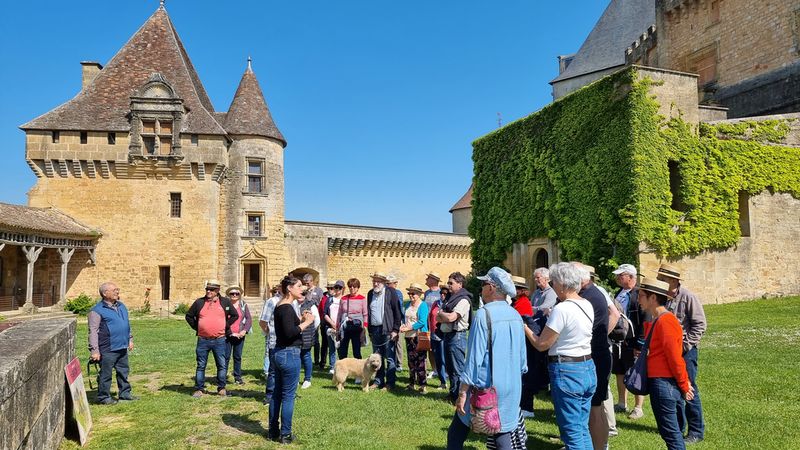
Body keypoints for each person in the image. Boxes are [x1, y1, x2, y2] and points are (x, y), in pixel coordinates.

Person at [447, 267, 527, 450]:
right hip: (512, 386)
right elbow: (523, 360)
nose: (481, 288)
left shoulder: (484, 314)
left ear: (491, 287)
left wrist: (463, 392)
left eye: (483, 284)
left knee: (456, 434)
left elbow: (474, 359)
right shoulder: (515, 314)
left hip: (486, 387)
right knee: (502, 434)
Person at [523, 262, 596, 450]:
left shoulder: (562, 309)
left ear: (563, 284)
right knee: (581, 428)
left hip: (567, 370)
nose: (552, 285)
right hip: (587, 366)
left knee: (572, 432)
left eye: (554, 282)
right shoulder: (586, 304)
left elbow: (542, 344)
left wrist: (524, 327)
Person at [637, 277, 695, 450]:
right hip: (660, 383)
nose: (638, 299)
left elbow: (675, 358)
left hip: (664, 384)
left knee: (672, 435)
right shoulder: (658, 320)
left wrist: (684, 384)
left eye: (641, 295)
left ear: (653, 297)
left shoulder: (666, 321)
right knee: (669, 433)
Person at [657, 263, 707, 444]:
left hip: (686, 353)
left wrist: (685, 345)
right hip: (668, 352)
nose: (659, 280)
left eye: (662, 278)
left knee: (689, 388)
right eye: (659, 278)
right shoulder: (661, 296)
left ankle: (696, 431)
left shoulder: (688, 297)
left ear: (673, 280)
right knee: (673, 389)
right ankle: (677, 428)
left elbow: (700, 324)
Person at [574, 263, 619, 450]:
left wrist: (600, 337)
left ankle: (599, 445)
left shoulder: (589, 297)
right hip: (600, 352)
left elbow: (615, 314)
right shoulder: (593, 292)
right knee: (596, 406)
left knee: (594, 407)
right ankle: (599, 445)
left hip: (596, 355)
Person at [268, 275, 316, 444]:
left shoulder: (281, 306)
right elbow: (290, 333)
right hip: (289, 354)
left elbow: (287, 327)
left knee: (276, 394)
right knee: (288, 396)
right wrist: (307, 322)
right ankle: (285, 434)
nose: (302, 289)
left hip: (279, 353)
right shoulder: (287, 308)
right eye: (299, 286)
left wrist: (301, 319)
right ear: (289, 288)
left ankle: (273, 431)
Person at [185, 279, 238, 398]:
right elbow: (189, 316)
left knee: (221, 365)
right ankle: (199, 389)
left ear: (217, 290)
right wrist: (198, 327)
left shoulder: (225, 302)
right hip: (203, 340)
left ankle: (221, 388)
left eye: (212, 290)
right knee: (201, 365)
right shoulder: (199, 302)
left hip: (220, 339)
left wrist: (225, 325)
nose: (209, 291)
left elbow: (235, 315)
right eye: (207, 289)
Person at [88, 282, 135, 405]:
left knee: (123, 371)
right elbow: (93, 331)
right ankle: (103, 397)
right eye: (114, 290)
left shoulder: (121, 306)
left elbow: (126, 324)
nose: (117, 292)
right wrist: (94, 350)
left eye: (117, 289)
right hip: (108, 348)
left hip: (122, 346)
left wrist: (130, 339)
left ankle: (125, 394)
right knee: (106, 374)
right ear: (105, 293)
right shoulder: (96, 310)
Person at [611, 263, 647, 420]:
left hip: (633, 341)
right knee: (619, 371)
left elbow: (645, 320)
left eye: (621, 275)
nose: (617, 278)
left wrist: (639, 343)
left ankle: (638, 407)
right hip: (619, 340)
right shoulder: (619, 292)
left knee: (636, 372)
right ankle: (622, 403)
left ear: (631, 277)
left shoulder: (639, 294)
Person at [438, 272, 473, 402]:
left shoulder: (463, 300)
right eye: (448, 283)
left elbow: (451, 317)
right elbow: (438, 317)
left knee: (457, 368)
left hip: (457, 336)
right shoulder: (450, 299)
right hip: (448, 335)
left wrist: (442, 314)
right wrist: (443, 315)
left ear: (460, 284)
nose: (449, 285)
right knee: (450, 367)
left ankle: (460, 397)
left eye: (451, 283)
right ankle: (453, 394)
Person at [366, 272, 403, 390]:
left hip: (388, 329)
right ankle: (378, 381)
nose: (375, 284)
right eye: (374, 281)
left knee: (390, 357)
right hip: (375, 329)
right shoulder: (370, 294)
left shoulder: (391, 292)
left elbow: (397, 312)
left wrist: (395, 329)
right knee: (377, 357)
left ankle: (390, 383)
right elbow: (369, 312)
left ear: (383, 282)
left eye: (378, 281)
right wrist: (370, 330)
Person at [399, 283, 429, 393]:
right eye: (409, 293)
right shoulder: (408, 304)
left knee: (420, 361)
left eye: (413, 293)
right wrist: (403, 325)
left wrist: (409, 328)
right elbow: (406, 318)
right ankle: (412, 383)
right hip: (408, 336)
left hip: (418, 336)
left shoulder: (423, 305)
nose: (411, 295)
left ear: (419, 294)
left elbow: (422, 321)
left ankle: (422, 385)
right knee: (411, 361)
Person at [224, 285, 252, 385]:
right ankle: (222, 377)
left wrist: (245, 330)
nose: (234, 295)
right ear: (229, 295)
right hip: (228, 334)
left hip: (240, 335)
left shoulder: (243, 305)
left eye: (237, 294)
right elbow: (222, 319)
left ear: (240, 295)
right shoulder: (225, 305)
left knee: (237, 357)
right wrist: (230, 332)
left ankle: (237, 377)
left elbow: (249, 319)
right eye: (232, 293)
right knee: (225, 357)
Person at [423, 272, 447, 387]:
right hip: (428, 324)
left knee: (441, 350)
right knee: (430, 348)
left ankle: (444, 371)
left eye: (428, 278)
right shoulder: (426, 293)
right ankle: (434, 370)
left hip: (438, 325)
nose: (426, 279)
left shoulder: (441, 292)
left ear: (434, 280)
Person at [337, 277, 368, 364]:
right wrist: (337, 326)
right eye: (350, 286)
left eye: (354, 286)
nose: (352, 288)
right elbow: (339, 313)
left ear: (358, 288)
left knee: (356, 351)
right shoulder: (343, 299)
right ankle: (342, 368)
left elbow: (365, 314)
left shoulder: (362, 299)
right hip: (345, 327)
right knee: (342, 351)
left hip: (357, 327)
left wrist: (365, 327)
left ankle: (359, 369)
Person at [259, 286, 281, 404]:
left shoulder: (294, 301)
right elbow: (263, 321)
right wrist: (269, 332)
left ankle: (286, 394)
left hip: (290, 343)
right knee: (273, 370)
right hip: (275, 340)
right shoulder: (272, 301)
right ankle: (270, 395)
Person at [299, 288, 321, 389]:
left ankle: (307, 379)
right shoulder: (293, 303)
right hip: (294, 334)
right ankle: (295, 378)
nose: (301, 296)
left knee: (306, 356)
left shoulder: (311, 305)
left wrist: (310, 330)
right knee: (295, 357)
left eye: (303, 294)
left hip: (307, 334)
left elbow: (317, 321)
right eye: (300, 293)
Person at [301, 274, 324, 370]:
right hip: (305, 317)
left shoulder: (318, 290)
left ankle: (317, 360)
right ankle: (305, 359)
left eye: (308, 283)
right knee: (305, 339)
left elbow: (321, 303)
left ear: (312, 281)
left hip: (315, 317)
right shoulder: (304, 290)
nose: (306, 285)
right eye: (305, 283)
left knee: (316, 340)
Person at [323, 280, 344, 374]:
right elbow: (325, 313)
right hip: (330, 327)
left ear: (343, 289)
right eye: (336, 287)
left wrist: (339, 325)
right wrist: (332, 324)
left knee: (341, 348)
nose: (337, 289)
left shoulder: (344, 299)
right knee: (332, 348)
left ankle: (342, 366)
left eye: (340, 288)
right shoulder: (330, 300)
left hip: (341, 327)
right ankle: (332, 366)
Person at [386, 274, 405, 371]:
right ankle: (391, 363)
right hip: (388, 322)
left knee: (398, 343)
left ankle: (399, 364)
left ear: (395, 283)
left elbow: (400, 308)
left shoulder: (398, 293)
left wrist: (401, 322)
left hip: (397, 321)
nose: (387, 285)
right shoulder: (385, 292)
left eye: (389, 283)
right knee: (389, 343)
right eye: (386, 283)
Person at [317, 280, 336, 370]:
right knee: (325, 344)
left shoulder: (337, 298)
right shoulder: (324, 298)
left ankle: (335, 364)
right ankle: (323, 362)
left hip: (336, 324)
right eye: (329, 288)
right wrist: (322, 321)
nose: (330, 290)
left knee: (336, 345)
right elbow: (321, 311)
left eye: (332, 288)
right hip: (325, 324)